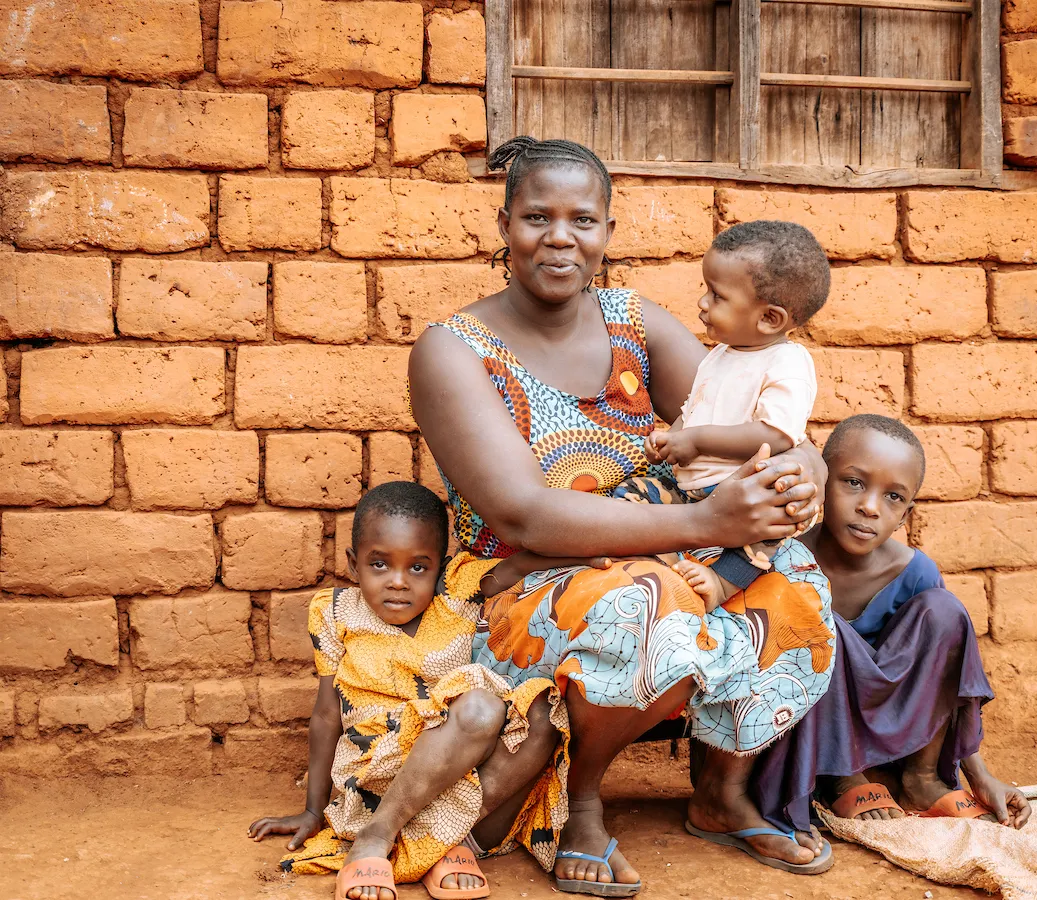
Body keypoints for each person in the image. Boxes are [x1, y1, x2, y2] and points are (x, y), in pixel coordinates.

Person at [407, 136, 837, 895]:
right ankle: (584, 797)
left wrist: (806, 468)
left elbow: (744, 421)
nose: (561, 237)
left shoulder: (632, 321)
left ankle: (720, 791)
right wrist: (709, 527)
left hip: (662, 542)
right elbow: (527, 514)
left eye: (584, 219)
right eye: (537, 216)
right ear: (504, 224)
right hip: (523, 576)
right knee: (644, 605)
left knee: (793, 581)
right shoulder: (453, 351)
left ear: (608, 231)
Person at [247, 482, 575, 900]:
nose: (398, 582)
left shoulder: (458, 591)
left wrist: (597, 553)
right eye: (379, 565)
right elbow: (327, 713)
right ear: (353, 563)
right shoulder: (335, 612)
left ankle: (439, 842)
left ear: (442, 566)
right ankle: (381, 835)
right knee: (478, 708)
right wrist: (314, 810)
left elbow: (524, 565)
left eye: (418, 568)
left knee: (541, 714)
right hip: (375, 780)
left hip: (463, 772)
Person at [751, 415, 1032, 832]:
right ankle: (839, 775)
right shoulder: (785, 558)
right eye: (854, 483)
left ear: (905, 515)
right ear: (822, 481)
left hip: (891, 721)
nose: (870, 507)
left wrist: (979, 775)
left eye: (894, 497)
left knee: (945, 610)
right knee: (818, 619)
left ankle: (920, 778)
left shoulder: (915, 572)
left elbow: (948, 681)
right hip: (805, 723)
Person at [621, 220, 828, 611]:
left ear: (769, 318)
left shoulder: (787, 363)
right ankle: (660, 559)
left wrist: (695, 441)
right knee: (634, 494)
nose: (702, 303)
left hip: (744, 493)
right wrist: (674, 437)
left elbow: (777, 435)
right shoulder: (720, 354)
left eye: (716, 295)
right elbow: (694, 410)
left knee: (770, 526)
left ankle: (721, 582)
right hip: (692, 490)